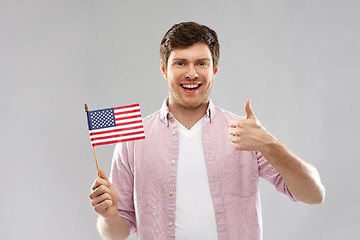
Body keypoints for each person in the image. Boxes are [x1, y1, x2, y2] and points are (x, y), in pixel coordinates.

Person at [89, 22, 325, 240]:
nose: (191, 73)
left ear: (215, 70)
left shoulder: (244, 132)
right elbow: (115, 234)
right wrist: (109, 216)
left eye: (202, 63)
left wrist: (268, 144)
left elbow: (314, 194)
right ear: (164, 68)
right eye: (180, 63)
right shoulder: (134, 139)